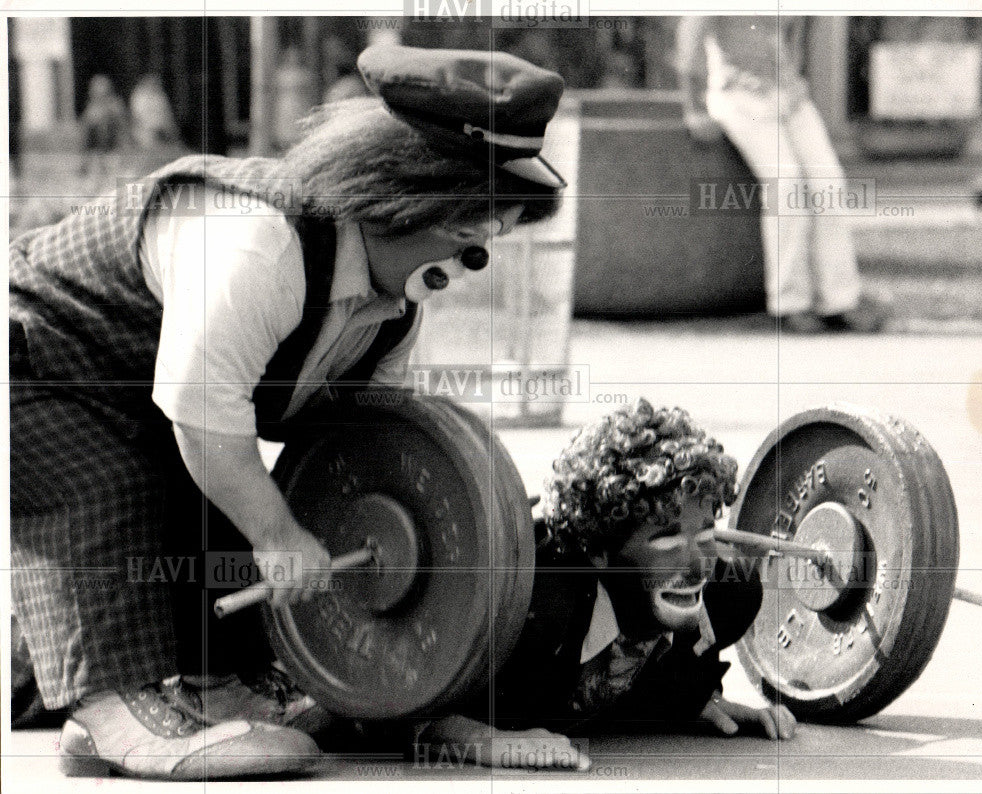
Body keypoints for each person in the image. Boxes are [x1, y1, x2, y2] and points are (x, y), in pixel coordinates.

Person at [9, 44, 566, 780]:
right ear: (409, 197)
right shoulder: (262, 242)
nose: (474, 261)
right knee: (133, 478)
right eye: (472, 235)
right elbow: (203, 420)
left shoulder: (391, 313)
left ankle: (208, 689)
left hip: (154, 402)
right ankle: (111, 706)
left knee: (224, 491)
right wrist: (277, 535)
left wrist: (471, 517)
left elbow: (363, 456)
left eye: (488, 239)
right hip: (37, 363)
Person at [420, 400, 795, 769]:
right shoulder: (531, 602)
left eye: (704, 535)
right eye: (666, 541)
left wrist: (698, 699)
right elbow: (403, 695)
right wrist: (480, 740)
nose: (698, 567)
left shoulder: (724, 597)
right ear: (598, 550)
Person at [676, 16, 887, 333]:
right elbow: (688, 44)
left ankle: (840, 300)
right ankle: (789, 303)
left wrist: (792, 80)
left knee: (828, 183)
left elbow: (797, 33)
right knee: (786, 183)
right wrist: (694, 108)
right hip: (737, 93)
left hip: (790, 96)